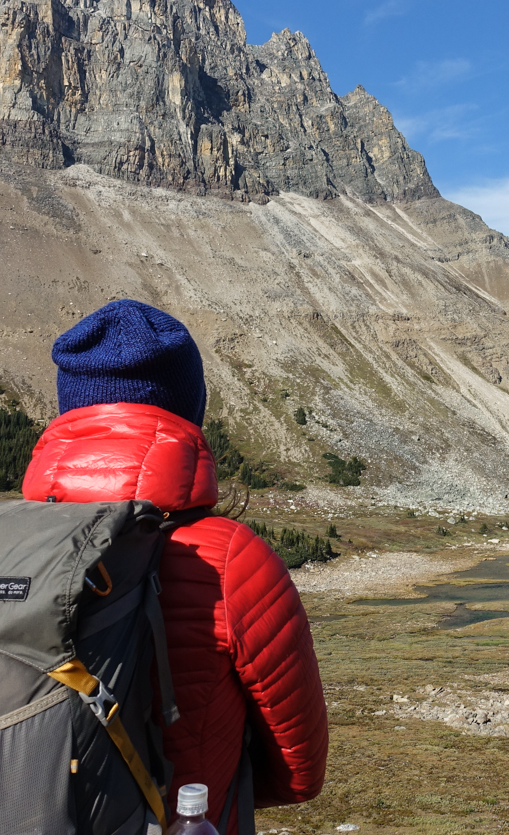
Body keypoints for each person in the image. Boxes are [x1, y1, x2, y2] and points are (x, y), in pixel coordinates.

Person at [21, 299, 328, 832]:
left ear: (68, 413)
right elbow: (298, 773)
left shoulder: (2, 547)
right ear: (190, 410)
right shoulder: (232, 559)